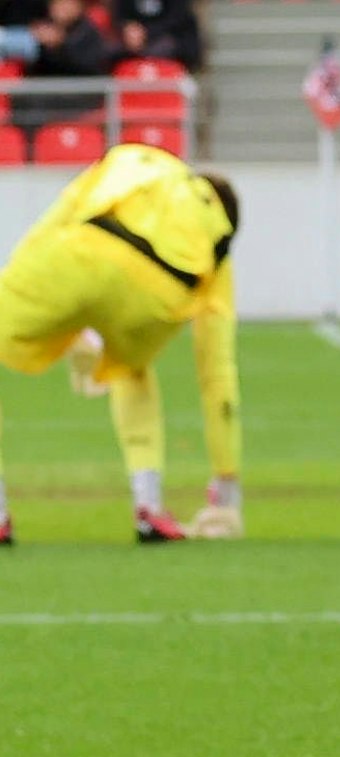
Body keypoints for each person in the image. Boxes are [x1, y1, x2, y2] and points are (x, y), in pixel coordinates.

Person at [0, 142, 242, 546]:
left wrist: (25, 287)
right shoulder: (218, 242)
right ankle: (149, 509)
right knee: (132, 372)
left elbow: (61, 214)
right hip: (158, 298)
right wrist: (227, 485)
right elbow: (218, 372)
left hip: (81, 257)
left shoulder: (140, 158)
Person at [114, 0, 201, 71]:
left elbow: (178, 18)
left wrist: (146, 32)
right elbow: (121, 16)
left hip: (171, 41)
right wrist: (128, 27)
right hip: (132, 44)